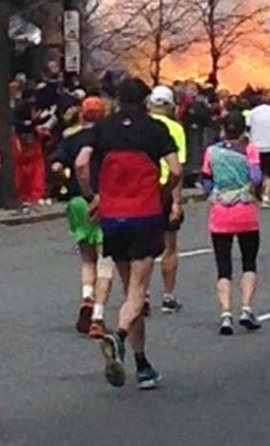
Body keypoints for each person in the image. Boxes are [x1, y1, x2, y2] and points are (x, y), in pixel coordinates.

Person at [75, 79, 182, 390]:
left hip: (112, 215)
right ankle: (118, 336)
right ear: (146, 100)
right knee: (139, 291)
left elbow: (82, 162)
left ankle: (142, 363)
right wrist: (162, 193)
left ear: (118, 100)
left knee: (128, 291)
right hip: (145, 214)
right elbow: (175, 170)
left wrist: (92, 196)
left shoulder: (103, 128)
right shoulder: (155, 129)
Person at [53, 96, 112, 339]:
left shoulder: (71, 138)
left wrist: (65, 184)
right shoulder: (108, 139)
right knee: (105, 259)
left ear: (82, 114)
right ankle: (98, 316)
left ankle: (87, 296)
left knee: (87, 258)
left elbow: (56, 166)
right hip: (103, 200)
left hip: (76, 201)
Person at [202, 112, 264, 335]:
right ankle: (246, 308)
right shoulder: (249, 149)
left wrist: (216, 192)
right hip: (245, 211)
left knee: (223, 266)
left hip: (220, 212)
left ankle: (225, 314)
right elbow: (256, 178)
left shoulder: (212, 151)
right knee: (249, 262)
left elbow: (206, 178)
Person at [148, 85, 186, 314]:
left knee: (143, 246)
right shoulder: (176, 129)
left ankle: (142, 294)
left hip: (144, 189)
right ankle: (168, 296)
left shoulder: (142, 126)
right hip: (166, 188)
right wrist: (176, 201)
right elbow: (177, 169)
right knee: (169, 246)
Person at [247, 92, 270, 208]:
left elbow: (247, 129)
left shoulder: (252, 113)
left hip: (255, 147)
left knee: (255, 171)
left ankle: (255, 194)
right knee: (268, 174)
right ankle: (266, 197)